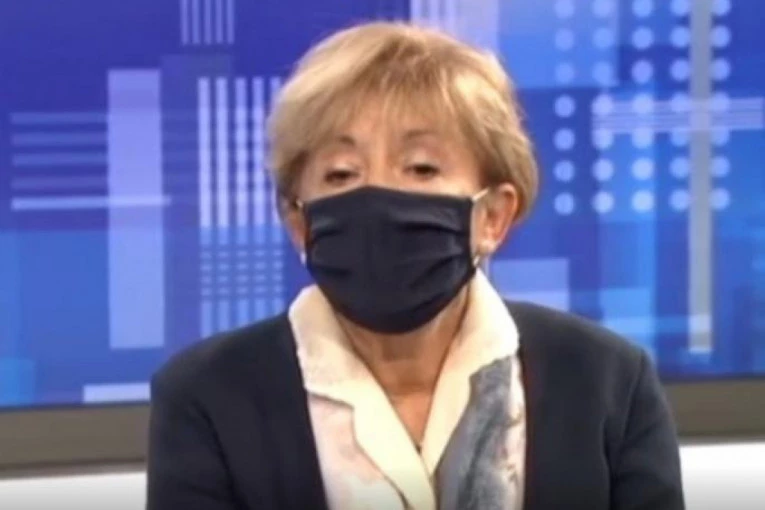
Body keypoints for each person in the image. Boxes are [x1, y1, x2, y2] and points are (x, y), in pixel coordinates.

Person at [147, 21, 685, 510]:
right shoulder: (207, 395)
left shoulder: (607, 381)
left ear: (493, 216)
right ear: (298, 222)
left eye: (421, 168)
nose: (379, 197)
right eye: (341, 174)